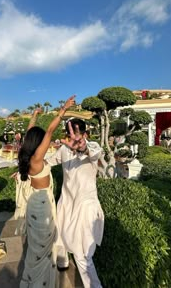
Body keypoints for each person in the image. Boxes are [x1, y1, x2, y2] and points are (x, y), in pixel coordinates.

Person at [16, 95, 75, 287]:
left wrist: (34, 115)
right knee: (43, 249)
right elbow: (50, 131)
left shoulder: (27, 155)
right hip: (42, 207)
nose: (44, 142)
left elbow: (29, 133)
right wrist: (63, 110)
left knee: (36, 248)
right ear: (38, 143)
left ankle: (33, 280)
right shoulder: (36, 160)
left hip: (36, 204)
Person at [46, 118, 104, 288]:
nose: (74, 140)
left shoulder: (93, 147)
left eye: (78, 135)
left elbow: (92, 153)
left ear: (85, 134)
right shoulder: (64, 149)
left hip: (85, 205)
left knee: (82, 253)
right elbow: (47, 163)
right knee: (61, 237)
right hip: (67, 202)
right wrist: (25, 168)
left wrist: (83, 147)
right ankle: (63, 264)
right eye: (71, 135)